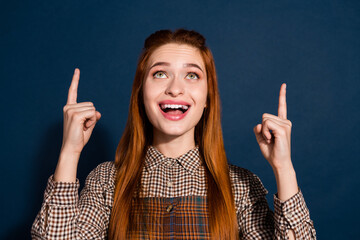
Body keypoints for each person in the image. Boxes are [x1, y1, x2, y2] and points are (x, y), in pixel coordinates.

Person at [31, 29, 316, 239]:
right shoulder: (107, 181)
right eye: (160, 74)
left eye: (192, 75)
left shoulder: (239, 187)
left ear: (207, 98)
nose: (175, 89)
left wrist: (284, 168)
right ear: (141, 94)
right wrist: (69, 153)